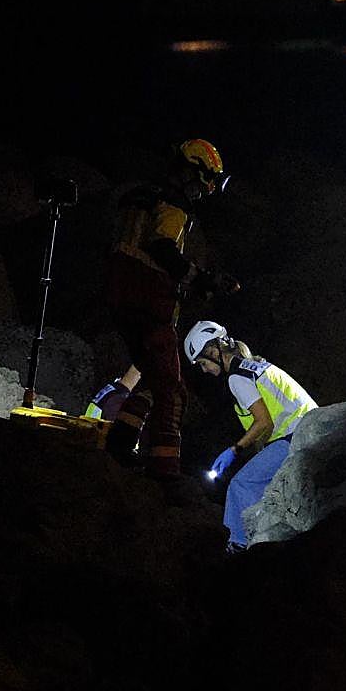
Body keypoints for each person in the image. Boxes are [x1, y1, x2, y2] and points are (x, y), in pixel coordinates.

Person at [100, 139, 239, 479]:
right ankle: (165, 469)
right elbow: (162, 247)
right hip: (149, 305)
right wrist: (202, 279)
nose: (207, 189)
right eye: (207, 179)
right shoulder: (172, 204)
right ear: (191, 171)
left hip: (122, 301)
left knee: (151, 381)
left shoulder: (139, 199)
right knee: (173, 391)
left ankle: (121, 441)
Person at [185, 320, 317, 552]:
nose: (204, 370)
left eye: (203, 363)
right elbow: (266, 428)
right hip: (308, 428)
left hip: (295, 436)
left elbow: (264, 421)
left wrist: (234, 450)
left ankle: (239, 547)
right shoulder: (255, 366)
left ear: (214, 351)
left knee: (241, 485)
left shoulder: (237, 377)